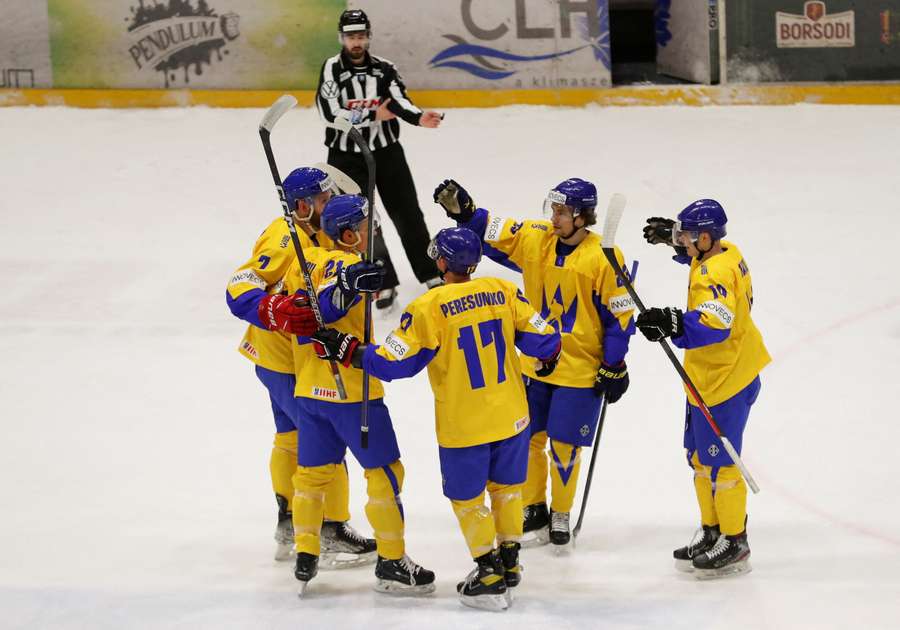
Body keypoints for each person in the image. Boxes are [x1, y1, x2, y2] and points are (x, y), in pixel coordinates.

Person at [309, 227, 562, 611]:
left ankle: (489, 572)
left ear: (442, 262)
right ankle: (509, 559)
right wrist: (548, 358)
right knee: (507, 489)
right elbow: (545, 339)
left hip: (465, 424)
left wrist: (350, 350)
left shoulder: (429, 306)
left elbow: (395, 363)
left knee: (467, 498)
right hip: (513, 415)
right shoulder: (503, 290)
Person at [434, 178, 636, 549]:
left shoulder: (604, 257)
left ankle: (560, 510)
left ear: (581, 216)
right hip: (536, 363)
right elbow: (492, 229)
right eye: (554, 210)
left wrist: (614, 362)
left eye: (562, 212)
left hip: (580, 369)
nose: (554, 218)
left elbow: (619, 315)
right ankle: (534, 505)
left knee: (564, 446)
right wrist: (466, 213)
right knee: (528, 439)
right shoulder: (537, 237)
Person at [281, 193, 435, 596]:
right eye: (368, 226)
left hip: (308, 390)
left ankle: (306, 552)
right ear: (349, 234)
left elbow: (298, 305)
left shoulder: (306, 257)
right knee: (385, 473)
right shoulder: (351, 264)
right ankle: (391, 561)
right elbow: (326, 305)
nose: (374, 231)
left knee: (312, 476)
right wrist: (345, 288)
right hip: (351, 391)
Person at [225, 166, 375, 567]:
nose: (331, 205)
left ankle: (289, 521)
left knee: (289, 436)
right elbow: (240, 283)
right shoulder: (283, 238)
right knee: (324, 440)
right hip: (283, 360)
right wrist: (274, 309)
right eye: (325, 199)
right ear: (303, 206)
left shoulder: (315, 231)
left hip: (287, 357)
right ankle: (329, 527)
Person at [638, 199, 770, 579]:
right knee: (699, 459)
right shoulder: (725, 251)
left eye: (689, 236)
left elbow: (716, 323)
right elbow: (700, 262)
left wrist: (673, 322)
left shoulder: (717, 273)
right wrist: (676, 244)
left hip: (726, 379)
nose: (684, 241)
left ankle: (735, 540)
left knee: (723, 465)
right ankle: (712, 531)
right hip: (706, 378)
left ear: (707, 237)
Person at [316, 8, 444, 311]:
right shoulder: (331, 68)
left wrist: (417, 117)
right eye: (351, 36)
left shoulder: (385, 69)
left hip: (387, 152)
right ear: (342, 38)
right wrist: (373, 114)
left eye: (361, 35)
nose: (356, 42)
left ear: (368, 36)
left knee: (408, 214)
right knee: (363, 221)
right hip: (346, 157)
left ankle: (430, 273)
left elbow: (399, 100)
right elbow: (329, 112)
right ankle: (383, 281)